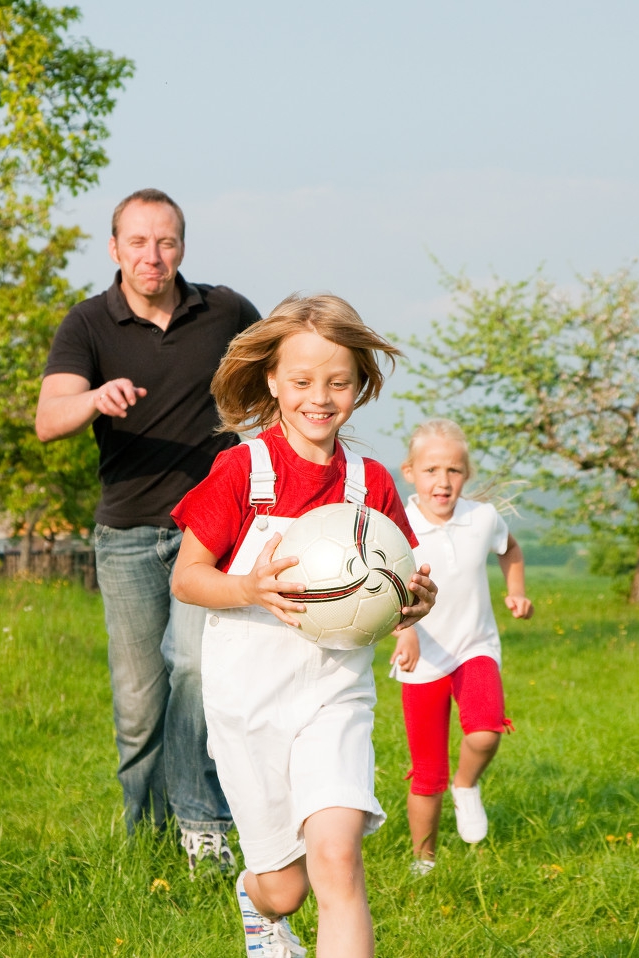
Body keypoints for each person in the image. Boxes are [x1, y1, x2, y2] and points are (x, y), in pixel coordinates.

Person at [171, 294, 437, 957]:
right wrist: (248, 587)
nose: (320, 397)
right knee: (285, 889)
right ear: (272, 381)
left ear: (359, 386)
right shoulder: (242, 470)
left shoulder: (368, 484)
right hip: (248, 701)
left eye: (338, 382)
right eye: (302, 381)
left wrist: (413, 603)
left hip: (332, 694)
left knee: (338, 859)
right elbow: (187, 577)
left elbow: (401, 580)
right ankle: (257, 906)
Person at [35, 189, 260, 871]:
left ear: (181, 248)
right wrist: (93, 399)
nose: (151, 255)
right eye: (137, 242)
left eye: (164, 242)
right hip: (128, 533)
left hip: (211, 534)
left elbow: (276, 371)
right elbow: (48, 419)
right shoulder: (87, 325)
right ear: (114, 249)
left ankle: (202, 824)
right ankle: (148, 838)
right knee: (139, 704)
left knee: (193, 667)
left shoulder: (225, 310)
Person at [388, 418, 533, 874]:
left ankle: (466, 785)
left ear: (466, 474)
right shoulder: (399, 526)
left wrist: (517, 589)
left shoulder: (482, 518)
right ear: (409, 471)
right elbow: (385, 587)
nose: (443, 481)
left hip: (475, 647)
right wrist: (404, 630)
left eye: (453, 471)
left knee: (486, 731)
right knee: (427, 774)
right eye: (431, 470)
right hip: (423, 656)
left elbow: (510, 548)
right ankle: (423, 860)